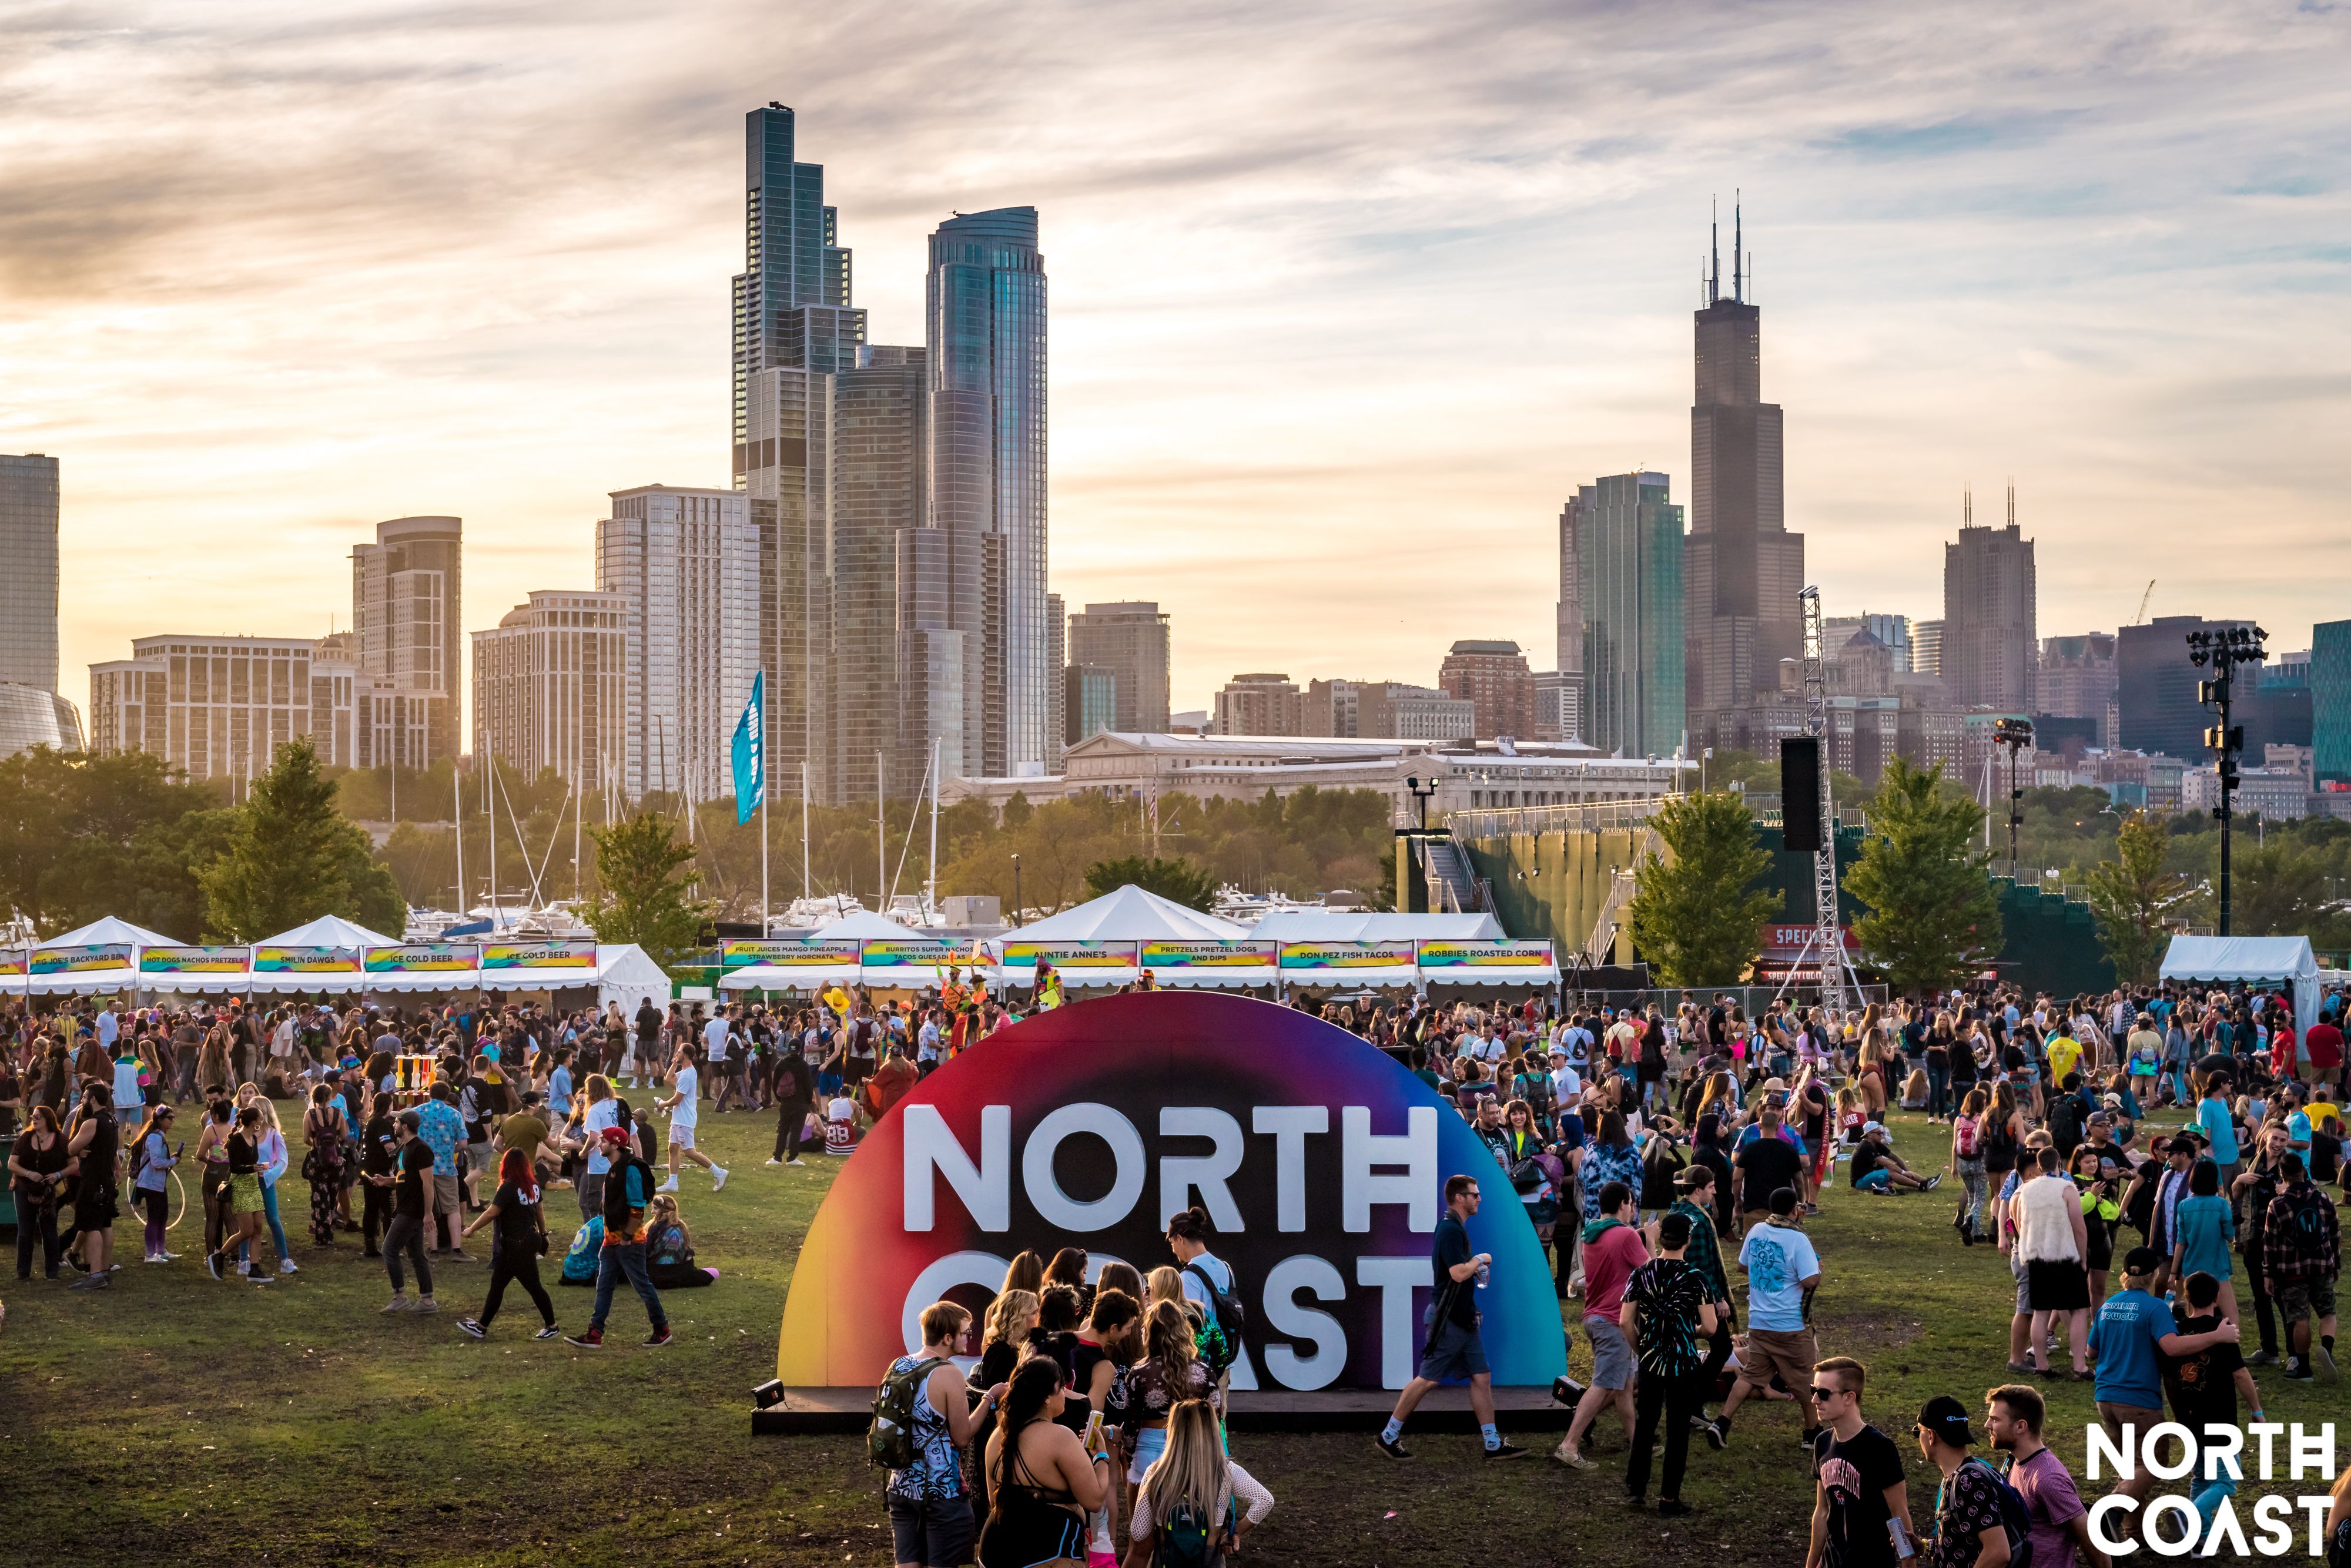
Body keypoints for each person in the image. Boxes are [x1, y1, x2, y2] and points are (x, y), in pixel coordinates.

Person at [1378, 1173, 1526, 1461]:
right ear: (1460, 1198)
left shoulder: (1455, 1228)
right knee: (1428, 1379)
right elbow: (1457, 1273)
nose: (1479, 1199)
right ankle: (1388, 1436)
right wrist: (1481, 1259)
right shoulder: (1450, 1230)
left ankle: (1492, 1444)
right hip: (1447, 1320)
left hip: (1462, 1318)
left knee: (1481, 1377)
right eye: (1475, 1194)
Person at [2084, 1247, 2238, 1517]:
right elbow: (2173, 1347)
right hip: (2138, 1399)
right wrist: (2217, 1336)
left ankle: (2135, 1538)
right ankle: (2108, 1512)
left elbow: (2091, 1352)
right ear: (2154, 1274)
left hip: (2105, 1396)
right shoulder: (2155, 1307)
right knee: (2154, 1465)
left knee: (2133, 1469)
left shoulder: (2108, 1305)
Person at [885, 1301, 1006, 1568]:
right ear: (948, 1337)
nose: (969, 1339)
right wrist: (990, 1399)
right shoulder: (948, 1373)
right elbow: (962, 1437)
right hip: (941, 1491)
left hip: (901, 1486)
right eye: (965, 1333)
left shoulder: (899, 1365)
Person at [1620, 1208, 1717, 1516]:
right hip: (1683, 1362)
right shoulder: (1696, 1278)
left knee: (1646, 1424)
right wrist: (1691, 1331)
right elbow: (1711, 1328)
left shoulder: (1641, 1273)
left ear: (1661, 1238)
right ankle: (1669, 1498)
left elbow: (1625, 1321)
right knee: (1677, 1430)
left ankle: (1636, 1489)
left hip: (1651, 1359)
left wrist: (1642, 1349)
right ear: (1688, 1241)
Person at [1712, 1186, 1821, 1450]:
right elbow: (1810, 1280)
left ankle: (1721, 1423)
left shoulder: (1758, 1230)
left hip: (1760, 1321)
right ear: (1795, 1209)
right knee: (1806, 1380)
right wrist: (1818, 1270)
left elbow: (1742, 1266)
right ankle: (1811, 1434)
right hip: (1790, 1325)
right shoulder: (1798, 1240)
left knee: (1751, 1376)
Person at [977, 1356, 1112, 1568]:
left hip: (994, 1546)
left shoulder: (997, 1437)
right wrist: (1101, 1456)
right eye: (1061, 1387)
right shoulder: (1060, 1437)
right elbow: (1094, 1501)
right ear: (1047, 1397)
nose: (1065, 1393)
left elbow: (995, 1500)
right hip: (1047, 1548)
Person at [2159, 1271, 2261, 1537]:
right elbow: (2240, 1373)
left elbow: (2169, 1379)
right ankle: (2187, 1515)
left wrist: (2178, 1412)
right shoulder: (2222, 1331)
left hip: (2189, 1418)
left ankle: (2198, 1540)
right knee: (2226, 1481)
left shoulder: (2176, 1333)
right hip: (2220, 1418)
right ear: (2217, 1297)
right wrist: (2257, 1410)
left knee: (2201, 1477)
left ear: (2188, 1297)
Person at [1557, 1178, 1647, 1469]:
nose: (1633, 1208)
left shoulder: (1592, 1233)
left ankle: (1638, 1442)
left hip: (1594, 1317)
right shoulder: (1626, 1235)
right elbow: (1653, 1272)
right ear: (1623, 1204)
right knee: (1602, 1386)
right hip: (1614, 1321)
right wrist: (1652, 1238)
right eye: (1632, 1203)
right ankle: (1569, 1445)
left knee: (1624, 1385)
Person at [1125, 1397, 1274, 1566]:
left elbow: (1138, 1532)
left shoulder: (1156, 1472)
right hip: (1209, 1558)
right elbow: (1265, 1500)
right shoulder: (1227, 1471)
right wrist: (1235, 1532)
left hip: (1168, 1557)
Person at [564, 1123, 669, 1348]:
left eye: (603, 1141)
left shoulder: (629, 1169)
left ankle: (662, 1329)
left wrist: (627, 1237)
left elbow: (637, 1206)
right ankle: (595, 1333)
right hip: (611, 1241)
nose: (599, 1145)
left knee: (642, 1284)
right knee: (604, 1285)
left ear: (615, 1145)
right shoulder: (615, 1168)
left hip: (629, 1242)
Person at [1805, 1357, 1915, 1568]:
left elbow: (1899, 1515)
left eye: (1824, 1394)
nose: (1815, 1400)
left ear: (1849, 1398)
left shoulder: (1879, 1447)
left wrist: (1909, 1566)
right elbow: (1822, 1511)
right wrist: (1811, 1564)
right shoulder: (1822, 1442)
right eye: (1814, 1391)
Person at [1983, 1383, 2107, 1568]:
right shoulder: (2015, 1461)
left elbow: (2091, 1538)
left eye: (1995, 1419)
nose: (1987, 1425)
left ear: (2020, 1426)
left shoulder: (2048, 1479)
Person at [457, 1147, 560, 1341]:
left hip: (517, 1245)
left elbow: (491, 1213)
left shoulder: (509, 1186)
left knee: (533, 1287)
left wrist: (471, 1229)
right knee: (498, 1284)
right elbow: (539, 1211)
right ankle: (482, 1326)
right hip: (524, 1241)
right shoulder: (533, 1184)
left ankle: (552, 1326)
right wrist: (544, 1234)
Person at [2263, 1151, 2342, 1382]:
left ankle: (2304, 1369)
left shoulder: (2277, 1205)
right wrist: (2335, 1264)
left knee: (2300, 1317)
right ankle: (2327, 1349)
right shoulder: (2325, 1199)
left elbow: (2270, 1243)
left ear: (2282, 1175)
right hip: (2322, 1266)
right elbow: (2335, 1235)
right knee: (2328, 1312)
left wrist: (2268, 1273)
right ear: (2304, 1171)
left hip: (2292, 1271)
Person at [2015, 1146, 2093, 1378]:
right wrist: (2083, 1258)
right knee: (2079, 1310)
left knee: (2041, 1312)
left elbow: (2020, 1225)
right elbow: (2079, 1228)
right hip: (2065, 1256)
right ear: (2059, 1163)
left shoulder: (2025, 1191)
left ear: (2038, 1166)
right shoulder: (2067, 1189)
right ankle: (2080, 1366)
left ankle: (2042, 1365)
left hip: (2038, 1257)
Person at [1914, 1395, 2010, 1568]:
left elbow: (1999, 1552)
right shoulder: (1963, 1474)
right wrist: (1924, 1548)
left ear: (1930, 1436)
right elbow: (1964, 1544)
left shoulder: (1968, 1481)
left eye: (1918, 1431)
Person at [373, 1108, 438, 1314]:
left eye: (397, 1122)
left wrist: (428, 1213)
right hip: (406, 1207)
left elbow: (428, 1184)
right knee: (417, 1255)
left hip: (413, 1211)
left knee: (389, 1250)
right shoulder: (404, 1148)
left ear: (405, 1126)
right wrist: (387, 1182)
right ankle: (427, 1301)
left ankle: (400, 1297)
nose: (394, 1125)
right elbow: (405, 1179)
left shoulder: (421, 1150)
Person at [205, 1104, 274, 1284]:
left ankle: (255, 1269)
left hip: (253, 1186)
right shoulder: (236, 1139)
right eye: (260, 1118)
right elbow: (234, 1167)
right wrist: (253, 1167)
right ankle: (219, 1256)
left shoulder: (253, 1138)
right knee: (246, 1231)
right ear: (254, 1122)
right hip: (241, 1187)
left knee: (258, 1227)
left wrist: (256, 1169)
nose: (262, 1120)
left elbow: (251, 1162)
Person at [2168, 1157, 2237, 1322]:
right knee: (2232, 1317)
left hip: (2192, 1268)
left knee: (2197, 1317)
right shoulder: (2221, 1205)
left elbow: (2181, 1241)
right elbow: (2230, 1236)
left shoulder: (2184, 1205)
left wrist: (2173, 1273)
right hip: (2217, 1267)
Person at [9, 1104, 71, 1281]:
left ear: (48, 1120)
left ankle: (52, 1273)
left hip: (49, 1192)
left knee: (49, 1229)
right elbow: (11, 1164)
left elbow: (74, 1163)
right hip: (24, 1188)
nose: (33, 1120)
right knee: (25, 1230)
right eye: (33, 1117)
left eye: (38, 1117)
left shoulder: (60, 1139)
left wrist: (58, 1175)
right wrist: (29, 1173)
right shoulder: (25, 1138)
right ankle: (23, 1272)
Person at [655, 1044, 726, 1194]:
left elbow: (677, 1099)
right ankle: (672, 1183)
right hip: (679, 1119)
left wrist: (663, 1104)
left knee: (689, 1152)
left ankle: (719, 1172)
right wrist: (674, 1064)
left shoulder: (688, 1075)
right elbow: (669, 1079)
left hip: (684, 1119)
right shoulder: (685, 1071)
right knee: (673, 1148)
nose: (677, 1053)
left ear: (686, 1055)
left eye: (679, 1052)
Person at [1851, 1122, 1937, 1194]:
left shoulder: (1876, 1144)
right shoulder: (1865, 1146)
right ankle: (1920, 1185)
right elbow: (1885, 1163)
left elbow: (1895, 1158)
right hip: (1860, 1182)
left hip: (1870, 1175)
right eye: (1879, 1133)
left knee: (1897, 1166)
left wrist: (1907, 1172)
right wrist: (1904, 1173)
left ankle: (1927, 1181)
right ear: (1869, 1135)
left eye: (1882, 1133)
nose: (1881, 1135)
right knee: (1891, 1171)